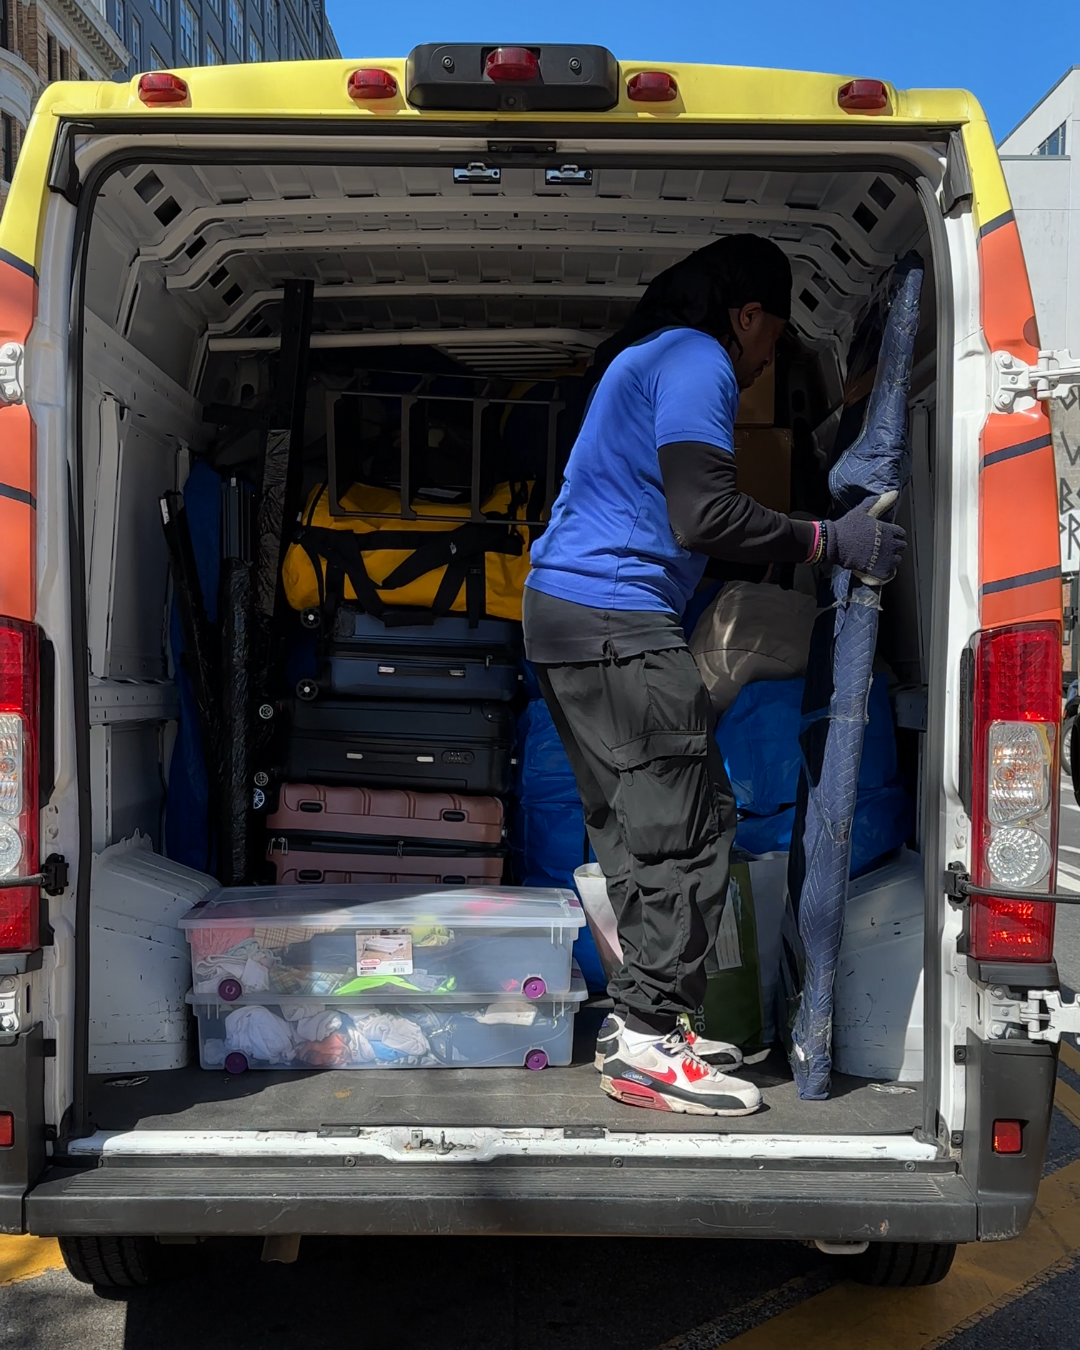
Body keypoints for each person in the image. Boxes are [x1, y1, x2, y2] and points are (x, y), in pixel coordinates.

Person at [523, 234, 906, 1116]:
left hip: (567, 617)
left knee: (636, 830)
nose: (772, 354)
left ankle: (639, 1023)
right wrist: (829, 539)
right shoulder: (699, 359)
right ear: (747, 314)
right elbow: (705, 516)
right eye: (776, 331)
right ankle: (651, 1038)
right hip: (616, 618)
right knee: (688, 831)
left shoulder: (649, 357)